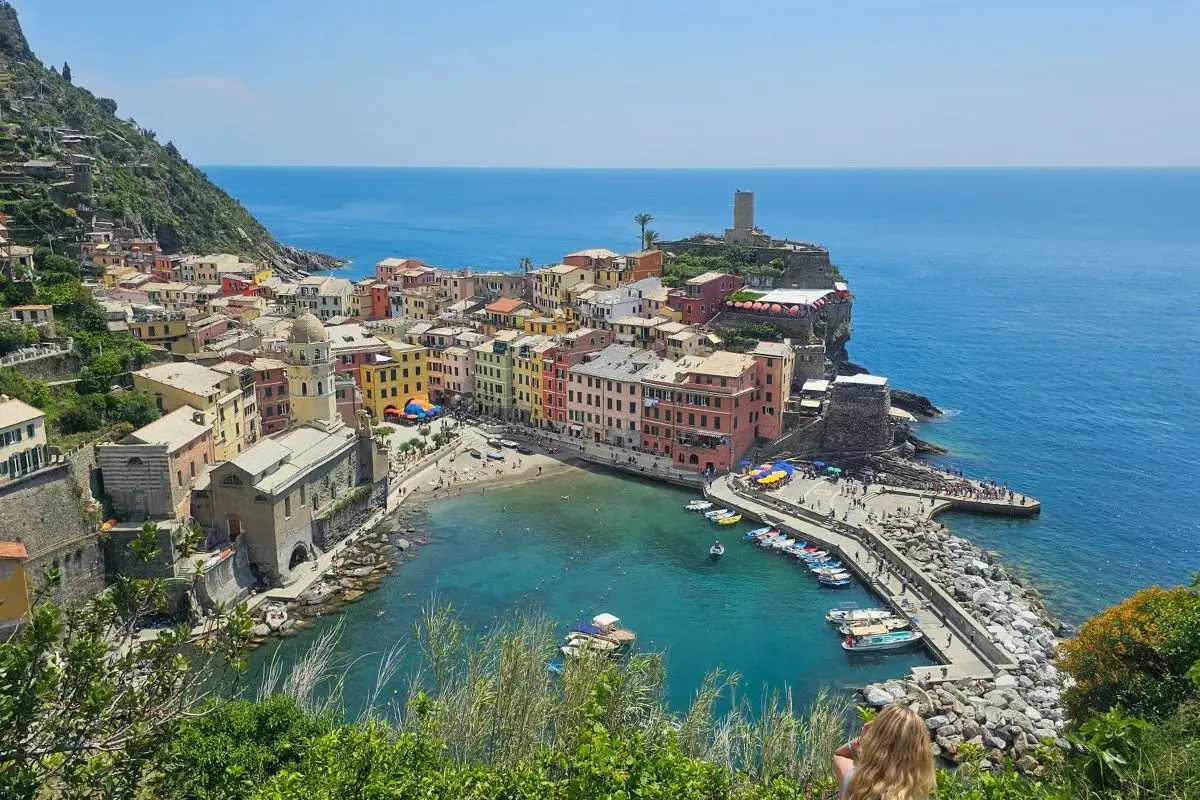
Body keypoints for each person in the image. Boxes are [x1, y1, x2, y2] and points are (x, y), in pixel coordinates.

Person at [833, 703, 935, 800]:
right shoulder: (913, 795)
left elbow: (839, 755)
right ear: (920, 753)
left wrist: (863, 740)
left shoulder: (852, 782)